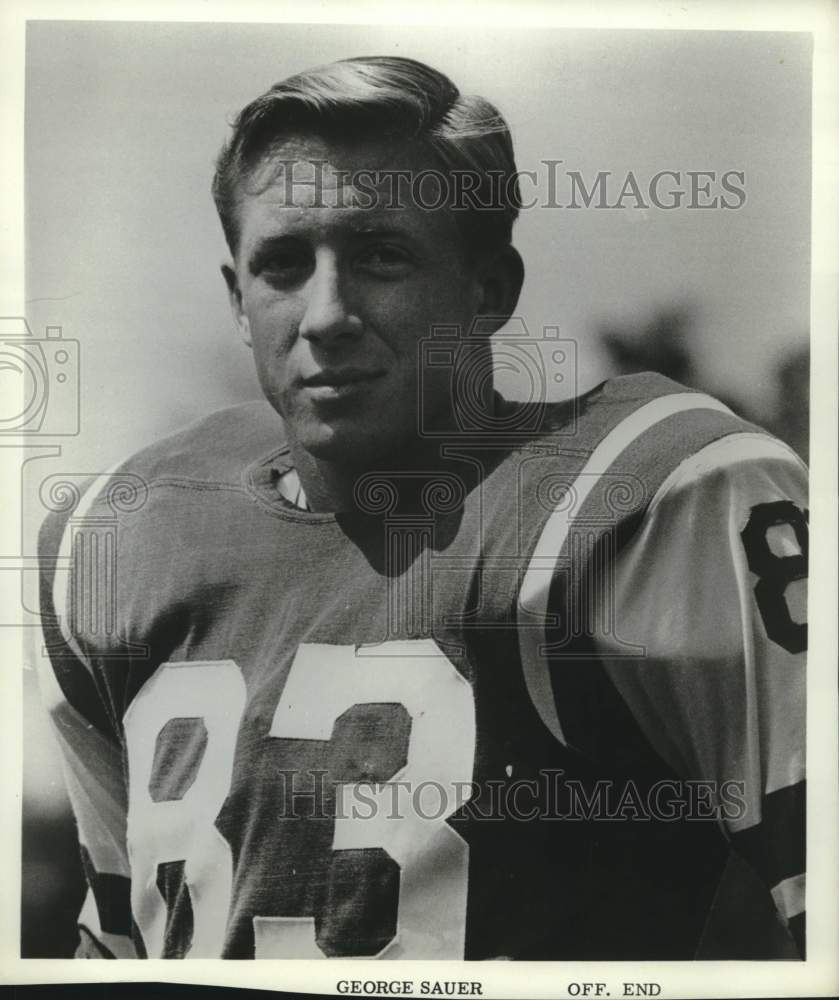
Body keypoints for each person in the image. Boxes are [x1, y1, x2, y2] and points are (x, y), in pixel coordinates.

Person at [36, 55, 807, 961]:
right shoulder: (118, 542)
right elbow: (118, 948)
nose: (325, 314)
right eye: (282, 264)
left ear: (490, 290)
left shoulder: (657, 494)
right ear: (237, 300)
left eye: (381, 256)